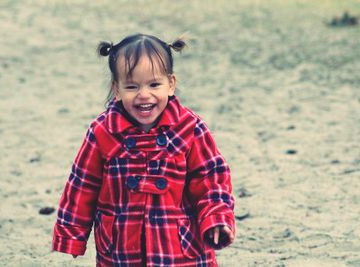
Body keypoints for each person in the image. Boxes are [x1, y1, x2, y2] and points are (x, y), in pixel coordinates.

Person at [52, 33, 235, 266]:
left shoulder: (190, 129)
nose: (144, 94)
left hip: (179, 250)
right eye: (132, 86)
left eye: (154, 84)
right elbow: (82, 185)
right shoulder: (102, 132)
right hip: (122, 250)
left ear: (171, 84)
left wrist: (217, 217)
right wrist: (71, 235)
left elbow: (211, 178)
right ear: (116, 89)